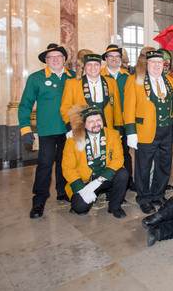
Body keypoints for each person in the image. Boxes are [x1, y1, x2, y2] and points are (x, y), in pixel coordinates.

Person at [19, 43, 76, 218]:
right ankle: (39, 200)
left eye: (59, 57)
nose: (56, 60)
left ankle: (62, 191)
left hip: (69, 129)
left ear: (64, 60)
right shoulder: (36, 78)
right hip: (47, 130)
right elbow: (25, 105)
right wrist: (25, 128)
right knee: (44, 164)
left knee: (64, 163)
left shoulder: (73, 77)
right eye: (52, 57)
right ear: (46, 60)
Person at [124, 49, 173, 214]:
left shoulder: (170, 80)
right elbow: (128, 109)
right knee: (143, 166)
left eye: (159, 62)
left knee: (164, 164)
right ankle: (144, 198)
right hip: (145, 130)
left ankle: (158, 194)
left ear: (164, 64)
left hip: (166, 130)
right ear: (146, 64)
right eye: (153, 62)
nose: (156, 65)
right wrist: (131, 132)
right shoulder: (135, 81)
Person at [62, 105, 128, 218]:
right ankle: (87, 196)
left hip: (103, 178)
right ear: (84, 123)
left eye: (98, 120)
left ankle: (115, 206)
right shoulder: (73, 140)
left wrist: (99, 180)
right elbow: (68, 168)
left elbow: (118, 159)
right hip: (84, 181)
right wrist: (82, 189)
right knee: (80, 208)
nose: (96, 124)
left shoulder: (113, 134)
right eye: (91, 121)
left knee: (123, 174)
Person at [60, 53, 124, 136]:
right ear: (84, 67)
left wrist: (118, 128)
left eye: (96, 64)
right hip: (82, 129)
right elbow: (66, 108)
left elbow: (116, 108)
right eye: (89, 65)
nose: (93, 68)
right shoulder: (72, 84)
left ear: (101, 67)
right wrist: (71, 127)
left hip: (107, 128)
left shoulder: (111, 82)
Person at [101, 44, 135, 191]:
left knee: (124, 153)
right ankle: (105, 182)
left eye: (117, 57)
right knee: (105, 152)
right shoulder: (99, 75)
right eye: (111, 56)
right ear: (106, 59)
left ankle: (127, 180)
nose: (114, 59)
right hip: (104, 122)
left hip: (124, 121)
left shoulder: (128, 77)